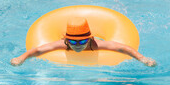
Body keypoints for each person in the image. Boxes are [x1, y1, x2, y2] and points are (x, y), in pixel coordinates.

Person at [10, 17, 157, 67]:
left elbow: (121, 48)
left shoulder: (95, 44)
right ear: (66, 41)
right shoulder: (63, 44)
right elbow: (39, 50)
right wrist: (20, 58)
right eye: (73, 42)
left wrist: (142, 58)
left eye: (83, 41)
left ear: (91, 38)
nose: (78, 46)